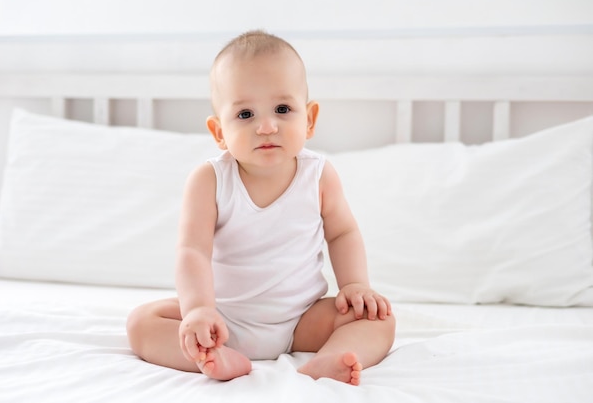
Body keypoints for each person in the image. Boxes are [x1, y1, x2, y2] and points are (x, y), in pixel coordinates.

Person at [126, 30, 396, 386]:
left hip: (302, 321)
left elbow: (343, 232)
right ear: (219, 131)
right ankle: (214, 356)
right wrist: (198, 310)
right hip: (222, 319)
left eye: (283, 109)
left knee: (379, 318)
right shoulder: (209, 181)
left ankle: (331, 358)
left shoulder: (318, 176)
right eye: (245, 113)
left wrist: (355, 284)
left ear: (310, 119)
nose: (266, 126)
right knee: (141, 323)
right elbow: (192, 250)